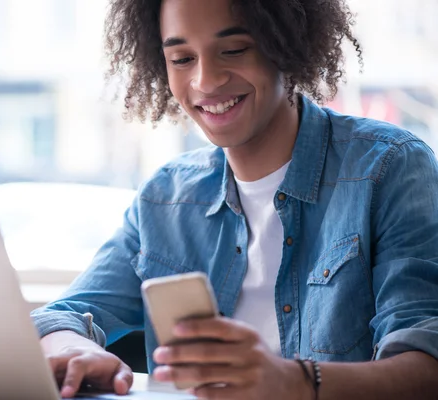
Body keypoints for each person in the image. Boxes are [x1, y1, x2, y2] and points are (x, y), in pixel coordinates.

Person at [31, 0, 438, 398]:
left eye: (234, 50)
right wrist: (75, 350)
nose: (205, 81)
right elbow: (58, 316)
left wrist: (295, 382)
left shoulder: (389, 167)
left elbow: (426, 367)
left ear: (286, 43)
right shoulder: (166, 199)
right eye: (182, 58)